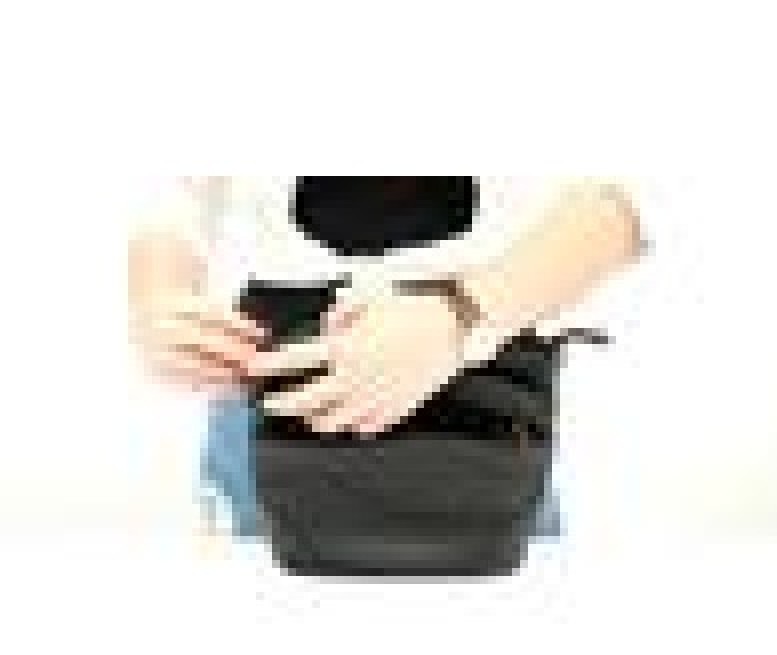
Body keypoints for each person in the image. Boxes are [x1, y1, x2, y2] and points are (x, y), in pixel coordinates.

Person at [128, 177, 644, 542]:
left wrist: (461, 313)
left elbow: (631, 194)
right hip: (273, 416)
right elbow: (175, 189)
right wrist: (161, 297)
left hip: (481, 412)